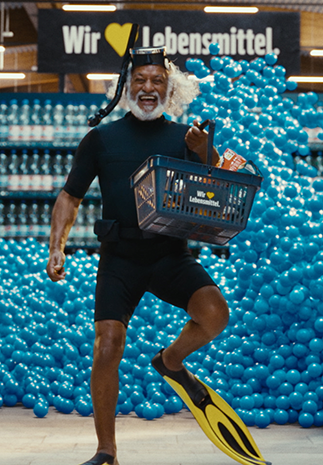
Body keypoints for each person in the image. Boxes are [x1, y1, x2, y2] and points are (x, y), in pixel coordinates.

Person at [46, 47, 229, 465]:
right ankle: (106, 450)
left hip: (170, 254)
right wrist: (56, 246)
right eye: (141, 81)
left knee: (216, 313)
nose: (149, 88)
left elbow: (217, 188)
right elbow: (69, 196)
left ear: (171, 89)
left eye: (157, 81)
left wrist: (204, 154)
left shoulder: (187, 137)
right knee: (107, 346)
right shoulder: (100, 139)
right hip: (120, 258)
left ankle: (170, 360)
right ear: (127, 88)